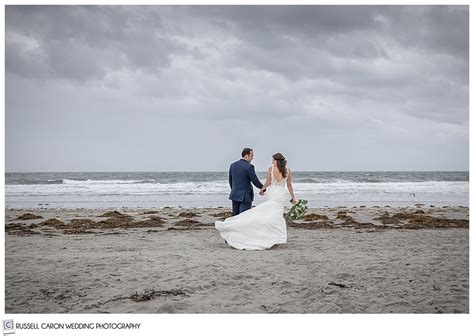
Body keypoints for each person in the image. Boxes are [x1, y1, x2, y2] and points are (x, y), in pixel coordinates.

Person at [215, 152, 297, 250]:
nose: (272, 162)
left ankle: (237, 232)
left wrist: (262, 189)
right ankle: (275, 237)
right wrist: (293, 197)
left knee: (263, 213)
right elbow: (289, 185)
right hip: (280, 194)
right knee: (276, 215)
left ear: (276, 160)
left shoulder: (271, 169)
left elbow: (267, 183)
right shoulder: (287, 171)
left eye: (273, 160)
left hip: (271, 193)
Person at [227, 148, 265, 216]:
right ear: (246, 155)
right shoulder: (249, 167)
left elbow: (230, 180)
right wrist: (263, 188)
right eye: (251, 155)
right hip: (245, 197)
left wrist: (234, 190)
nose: (252, 158)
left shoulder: (233, 165)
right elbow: (255, 181)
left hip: (234, 195)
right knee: (244, 216)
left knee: (235, 216)